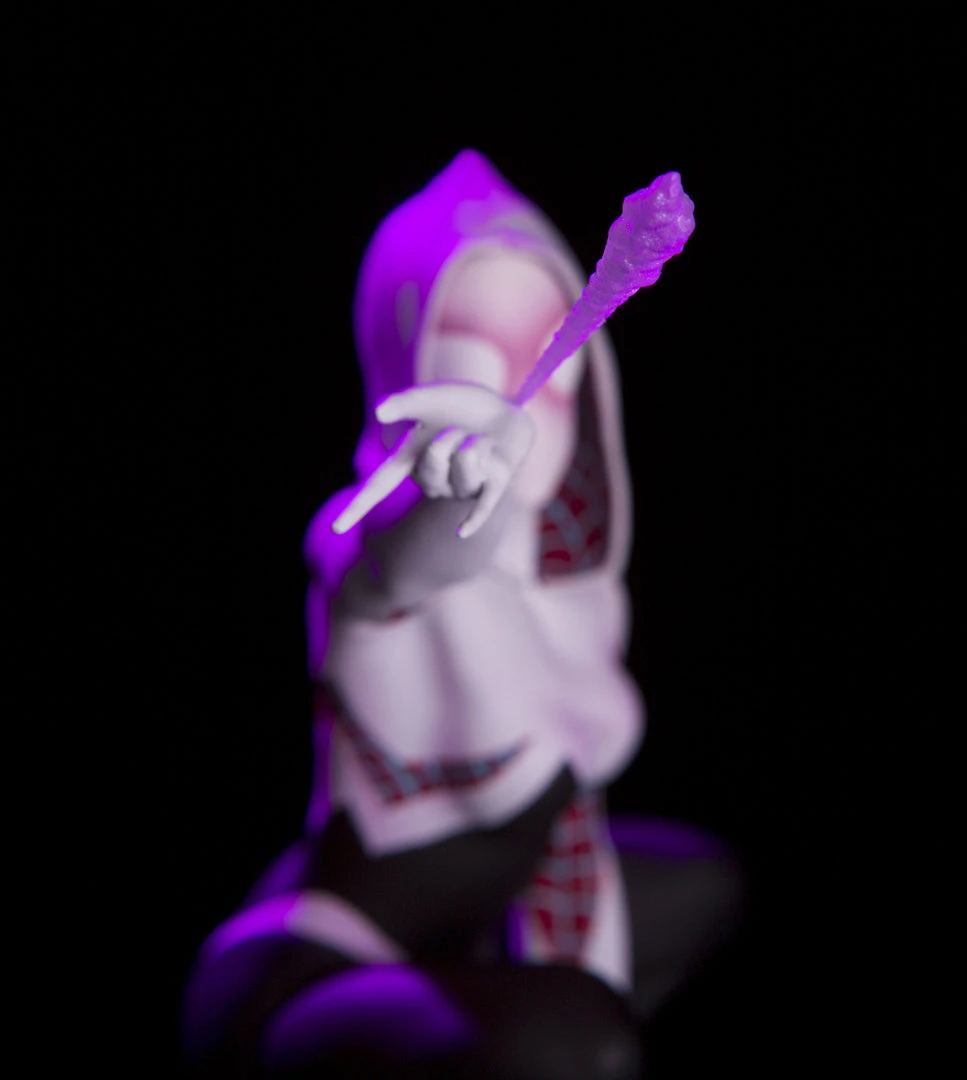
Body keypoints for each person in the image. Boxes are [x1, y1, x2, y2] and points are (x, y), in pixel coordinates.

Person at [182, 149, 742, 1079]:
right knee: (578, 1041)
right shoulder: (362, 552)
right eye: (462, 350)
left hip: (465, 939)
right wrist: (455, 484)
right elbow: (402, 563)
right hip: (299, 985)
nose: (502, 387)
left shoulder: (566, 604)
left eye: (535, 365)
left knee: (703, 885)